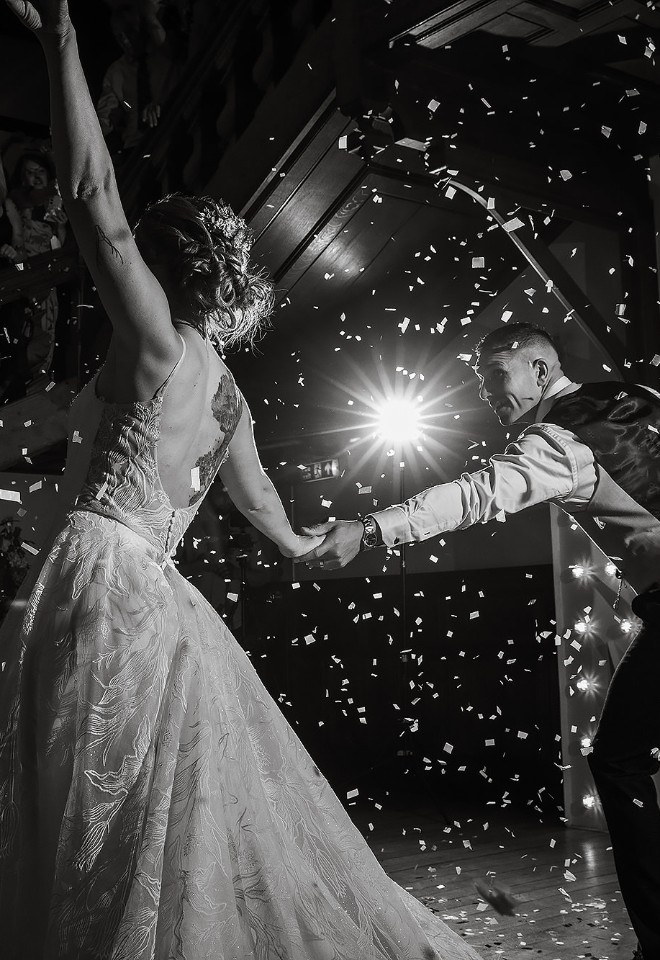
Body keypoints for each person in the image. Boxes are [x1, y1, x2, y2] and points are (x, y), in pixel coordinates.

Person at [0, 3, 485, 958]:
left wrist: (60, 37)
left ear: (162, 265)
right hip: (169, 605)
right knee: (148, 814)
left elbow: (94, 193)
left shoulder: (153, 339)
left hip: (100, 576)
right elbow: (268, 512)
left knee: (86, 796)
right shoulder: (232, 401)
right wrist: (316, 543)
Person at [301, 322, 660, 960]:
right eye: (482, 380)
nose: (490, 393)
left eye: (500, 376)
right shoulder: (636, 396)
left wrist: (371, 528)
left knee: (619, 761)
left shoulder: (560, 439)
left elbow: (476, 495)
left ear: (543, 373)